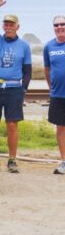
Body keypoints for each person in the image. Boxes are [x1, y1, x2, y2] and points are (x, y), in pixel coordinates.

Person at [0, 0, 31, 173]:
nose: (8, 27)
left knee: (12, 124)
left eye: (11, 24)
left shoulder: (24, 46)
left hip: (13, 89)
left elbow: (27, 71)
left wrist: (23, 89)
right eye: (6, 24)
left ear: (17, 26)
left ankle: (12, 159)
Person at [43, 15, 65, 175]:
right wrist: (52, 88)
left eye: (63, 24)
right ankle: (64, 161)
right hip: (58, 95)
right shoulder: (49, 46)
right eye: (56, 25)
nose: (59, 27)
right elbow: (47, 70)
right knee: (61, 128)